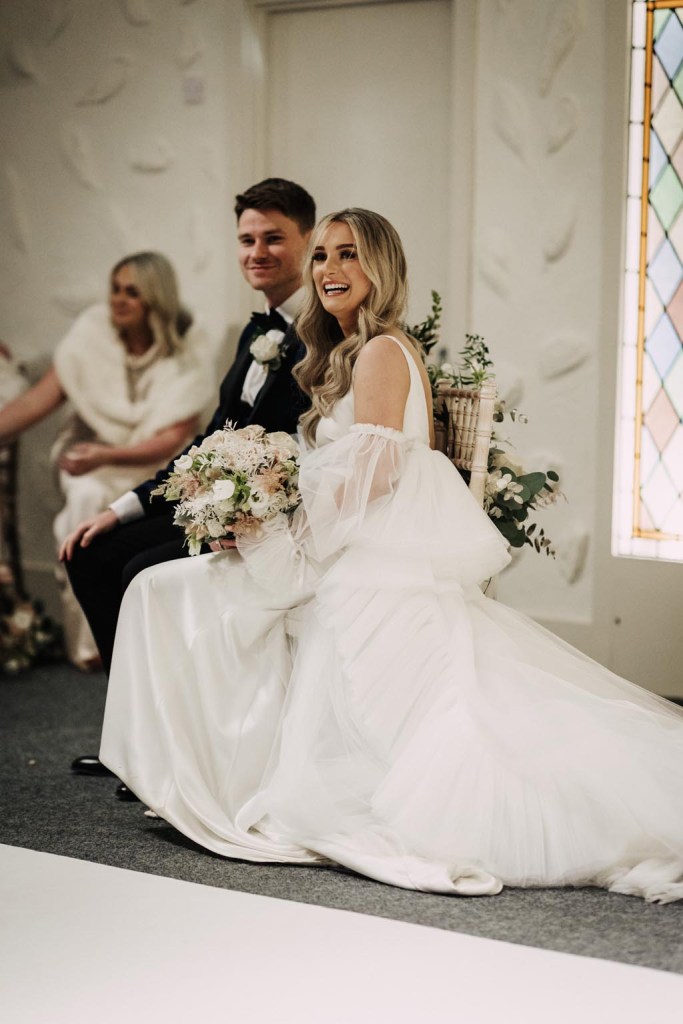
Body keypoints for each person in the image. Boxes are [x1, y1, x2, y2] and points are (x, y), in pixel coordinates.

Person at [100, 209, 683, 903]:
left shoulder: (380, 351)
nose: (329, 270)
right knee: (171, 587)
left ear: (381, 269)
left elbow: (370, 479)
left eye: (348, 255)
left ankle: (206, 775)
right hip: (345, 554)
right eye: (321, 256)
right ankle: (198, 772)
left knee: (170, 592)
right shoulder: (345, 351)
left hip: (363, 569)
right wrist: (257, 516)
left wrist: (273, 537)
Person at [61, 177, 315, 782]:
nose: (257, 251)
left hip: (271, 521)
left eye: (274, 238)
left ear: (308, 239)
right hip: (220, 501)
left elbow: (316, 448)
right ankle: (133, 735)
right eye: (246, 239)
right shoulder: (255, 333)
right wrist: (123, 506)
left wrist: (246, 513)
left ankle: (167, 748)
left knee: (136, 571)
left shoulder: (321, 332)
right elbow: (209, 440)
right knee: (93, 551)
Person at [0, 252, 213, 669]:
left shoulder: (187, 348)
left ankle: (131, 640)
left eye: (132, 292)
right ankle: (89, 645)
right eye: (115, 288)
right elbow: (33, 402)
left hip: (158, 466)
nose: (118, 299)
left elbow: (171, 436)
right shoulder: (90, 338)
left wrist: (108, 452)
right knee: (83, 500)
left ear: (155, 298)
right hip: (92, 462)